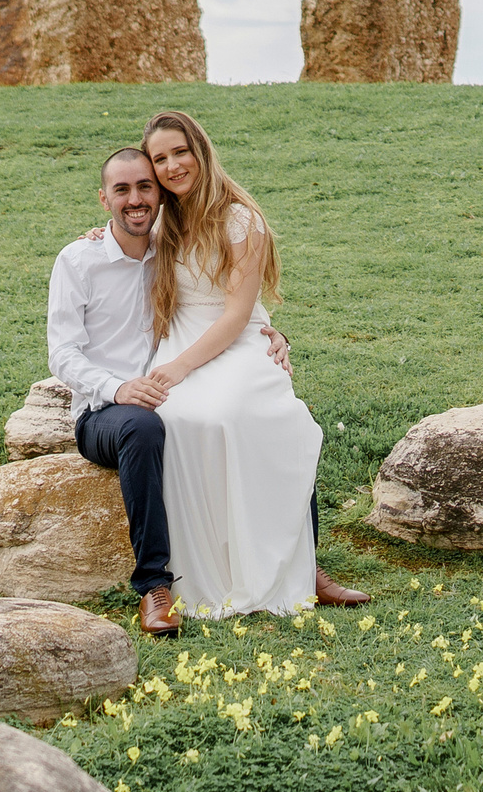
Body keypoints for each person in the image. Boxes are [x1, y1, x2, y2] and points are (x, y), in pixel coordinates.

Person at [46, 146, 288, 636]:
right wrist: (118, 388)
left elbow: (219, 303)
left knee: (266, 409)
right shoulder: (79, 260)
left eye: (144, 188)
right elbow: (62, 354)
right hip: (104, 413)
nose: (134, 199)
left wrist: (272, 336)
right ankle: (154, 585)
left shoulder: (170, 250)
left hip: (171, 388)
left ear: (159, 196)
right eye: (121, 190)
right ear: (104, 199)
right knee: (142, 426)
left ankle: (299, 563)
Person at [140, 108, 371, 619]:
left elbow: (237, 313)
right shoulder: (160, 218)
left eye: (180, 152)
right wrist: (97, 236)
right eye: (160, 159)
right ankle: (207, 569)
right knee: (176, 418)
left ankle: (300, 564)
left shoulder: (241, 219)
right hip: (179, 334)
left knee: (244, 415)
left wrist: (180, 368)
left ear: (201, 151)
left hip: (238, 337)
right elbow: (119, 240)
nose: (172, 166)